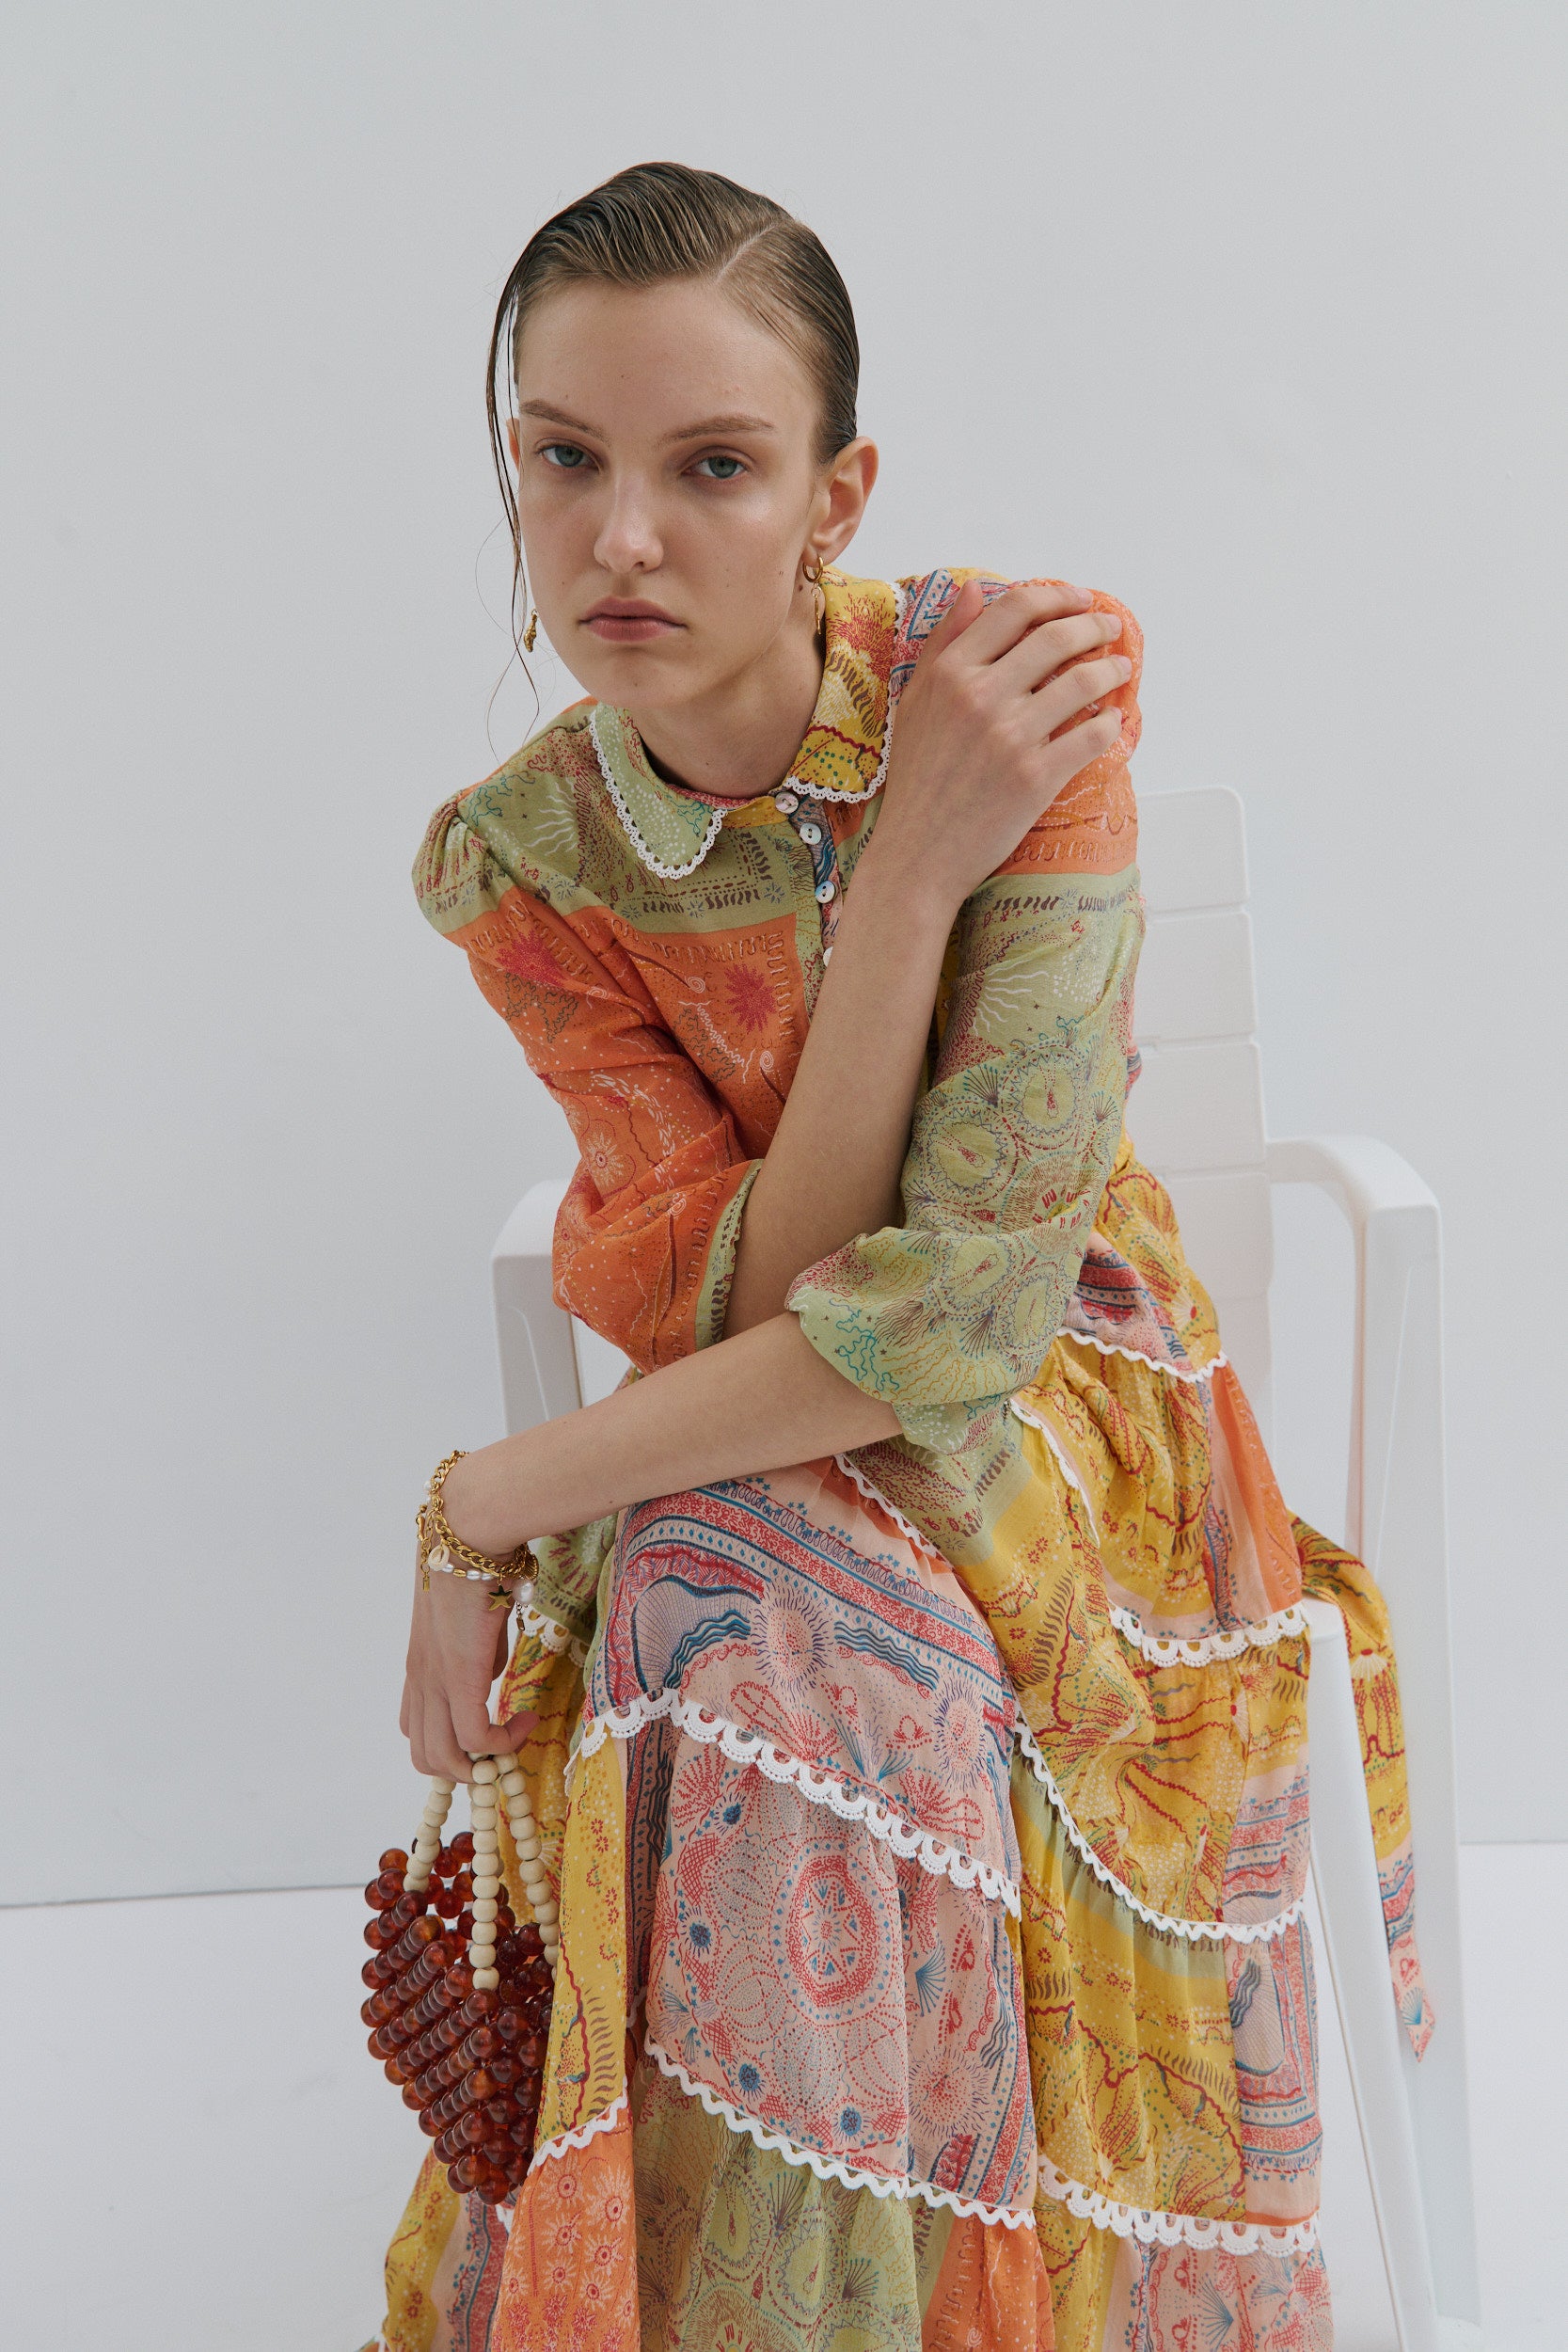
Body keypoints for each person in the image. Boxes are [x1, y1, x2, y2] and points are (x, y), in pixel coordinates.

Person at [377, 161, 1429, 2352]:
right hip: (778, 1410)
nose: (621, 538)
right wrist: (908, 898)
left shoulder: (1013, 687)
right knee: (732, 1610)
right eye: (560, 460)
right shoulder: (529, 864)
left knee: (743, 1621)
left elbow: (954, 1319)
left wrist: (483, 1504)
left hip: (1078, 1407)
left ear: (835, 491)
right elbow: (758, 1320)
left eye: (713, 465)